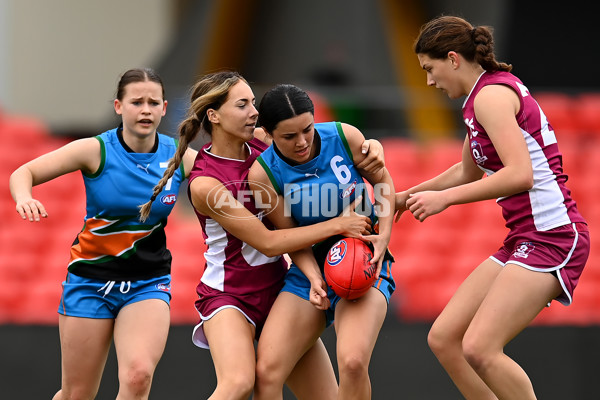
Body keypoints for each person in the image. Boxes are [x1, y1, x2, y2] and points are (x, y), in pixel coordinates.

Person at [141, 70, 386, 400]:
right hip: (230, 294)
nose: (254, 111)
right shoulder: (205, 184)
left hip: (279, 285)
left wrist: (371, 145)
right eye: (242, 105)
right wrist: (338, 225)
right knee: (240, 382)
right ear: (213, 115)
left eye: (254, 103)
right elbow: (268, 241)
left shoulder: (267, 140)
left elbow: (320, 139)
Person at [394, 15, 590, 400]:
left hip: (553, 235)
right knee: (444, 338)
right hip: (523, 237)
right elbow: (467, 171)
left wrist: (442, 201)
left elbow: (521, 175)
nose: (430, 81)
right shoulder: (479, 98)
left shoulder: (490, 97)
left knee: (479, 348)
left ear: (453, 59)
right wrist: (406, 195)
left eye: (430, 70)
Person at [9, 68, 198, 400]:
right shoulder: (96, 150)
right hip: (90, 282)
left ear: (165, 108)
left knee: (138, 376)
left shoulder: (179, 155)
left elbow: (236, 178)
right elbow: (24, 172)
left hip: (147, 283)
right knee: (77, 394)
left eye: (153, 102)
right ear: (118, 106)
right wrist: (25, 197)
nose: (145, 109)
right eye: (136, 101)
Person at [247, 84, 396, 400]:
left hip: (362, 261)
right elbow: (290, 238)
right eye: (289, 137)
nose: (301, 142)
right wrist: (315, 278)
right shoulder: (263, 176)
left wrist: (383, 237)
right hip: (309, 268)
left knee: (353, 362)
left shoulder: (345, 137)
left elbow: (383, 181)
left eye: (307, 129)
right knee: (266, 371)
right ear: (268, 135)